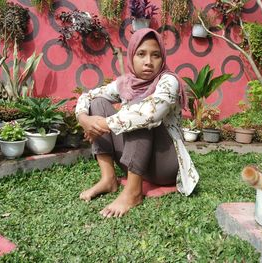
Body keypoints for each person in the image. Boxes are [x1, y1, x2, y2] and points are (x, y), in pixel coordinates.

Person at [75, 28, 199, 218]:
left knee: (137, 110)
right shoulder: (125, 82)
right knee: (98, 102)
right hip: (134, 160)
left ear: (162, 58)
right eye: (141, 54)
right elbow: (88, 96)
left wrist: (103, 124)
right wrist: (85, 120)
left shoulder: (168, 81)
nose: (148, 61)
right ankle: (108, 179)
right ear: (132, 56)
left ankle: (133, 192)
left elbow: (151, 112)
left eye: (155, 55)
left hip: (164, 165)